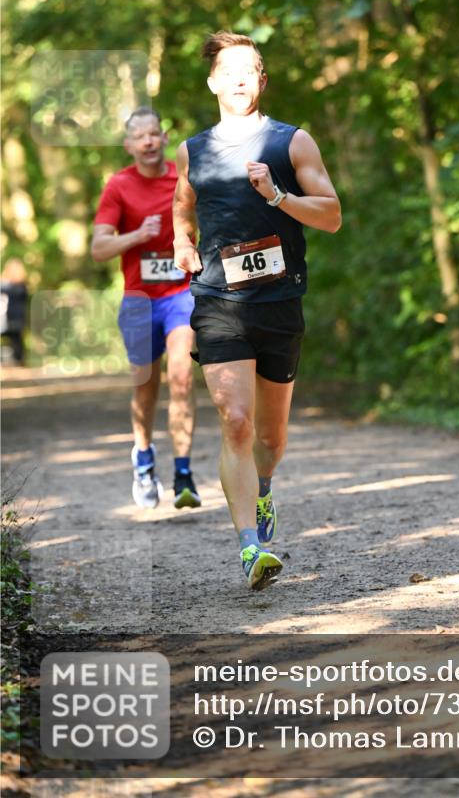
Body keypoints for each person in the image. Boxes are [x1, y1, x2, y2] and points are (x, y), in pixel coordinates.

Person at [173, 31, 341, 590]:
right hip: (218, 301)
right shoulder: (192, 151)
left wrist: (277, 197)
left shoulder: (291, 142)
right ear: (213, 81)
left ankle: (263, 489)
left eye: (251, 71)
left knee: (270, 441)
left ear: (262, 80)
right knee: (236, 422)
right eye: (231, 71)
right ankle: (250, 548)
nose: (241, 80)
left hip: (279, 301)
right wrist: (182, 242)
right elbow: (182, 205)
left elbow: (332, 215)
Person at [91, 107, 201, 511]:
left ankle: (185, 472)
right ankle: (143, 458)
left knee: (182, 376)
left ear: (164, 138)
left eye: (155, 133)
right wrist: (138, 235)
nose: (149, 141)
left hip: (180, 293)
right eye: (141, 136)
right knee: (145, 385)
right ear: (130, 145)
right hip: (139, 299)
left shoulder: (183, 178)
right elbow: (99, 248)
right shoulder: (118, 186)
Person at [0, 258, 29, 366]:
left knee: (17, 342)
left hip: (16, 319)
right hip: (4, 319)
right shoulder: (6, 284)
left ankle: (19, 364)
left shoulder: (20, 286)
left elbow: (12, 291)